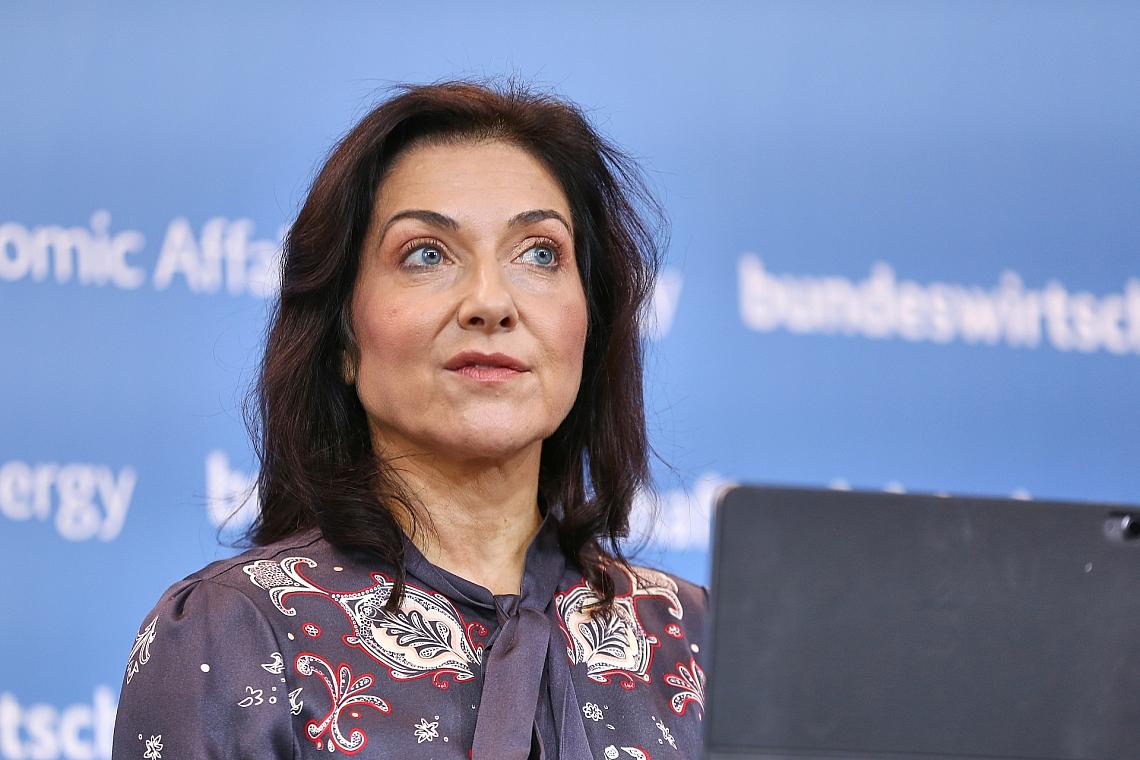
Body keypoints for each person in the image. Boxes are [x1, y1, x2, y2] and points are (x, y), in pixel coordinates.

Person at [112, 80, 707, 760]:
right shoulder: (234, 633)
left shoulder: (699, 641)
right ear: (343, 339)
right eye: (427, 254)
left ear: (590, 325)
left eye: (540, 253)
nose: (491, 303)